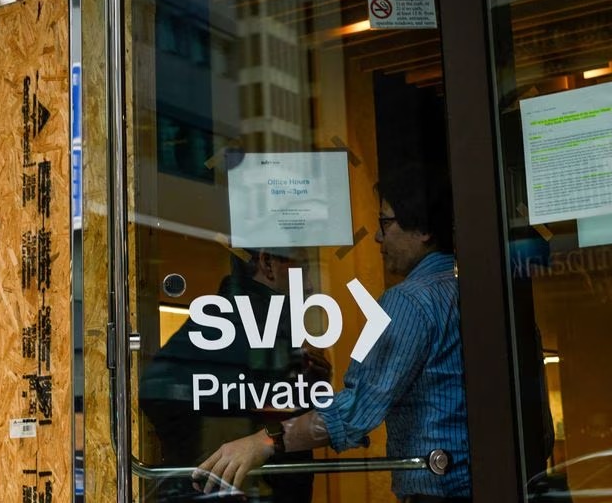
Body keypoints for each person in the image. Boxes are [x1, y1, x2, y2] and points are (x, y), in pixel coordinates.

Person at [193, 165, 472, 503]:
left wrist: (263, 442)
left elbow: (355, 410)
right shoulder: (475, 292)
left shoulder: (407, 302)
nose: (378, 237)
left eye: (386, 222)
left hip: (441, 492)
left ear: (424, 229)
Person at [139, 246, 330, 503]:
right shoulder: (230, 318)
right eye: (303, 268)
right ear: (268, 263)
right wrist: (220, 455)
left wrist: (309, 385)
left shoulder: (271, 322)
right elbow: (157, 389)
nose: (309, 284)